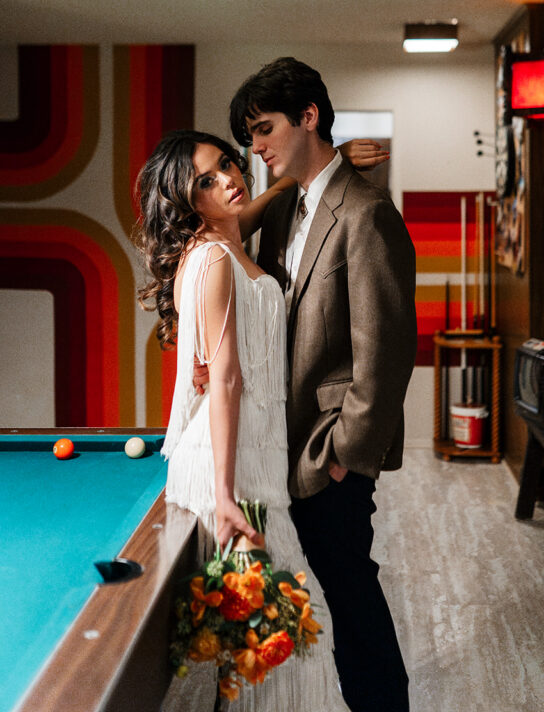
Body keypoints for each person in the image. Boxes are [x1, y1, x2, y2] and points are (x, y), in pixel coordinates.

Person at [136, 129, 386, 712]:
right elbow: (224, 379)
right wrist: (225, 496)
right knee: (281, 645)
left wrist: (327, 163)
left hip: (258, 457)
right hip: (232, 467)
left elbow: (248, 208)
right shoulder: (213, 258)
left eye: (226, 163)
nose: (228, 179)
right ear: (187, 201)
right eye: (206, 180)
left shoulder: (225, 242)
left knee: (272, 647)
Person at [228, 57, 417, 712]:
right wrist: (283, 183)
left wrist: (345, 455)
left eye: (264, 129)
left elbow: (386, 354)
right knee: (337, 589)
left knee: (350, 590)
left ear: (308, 116)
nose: (255, 147)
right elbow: (225, 239)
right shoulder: (289, 206)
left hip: (328, 449)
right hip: (285, 438)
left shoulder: (367, 213)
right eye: (249, 135)